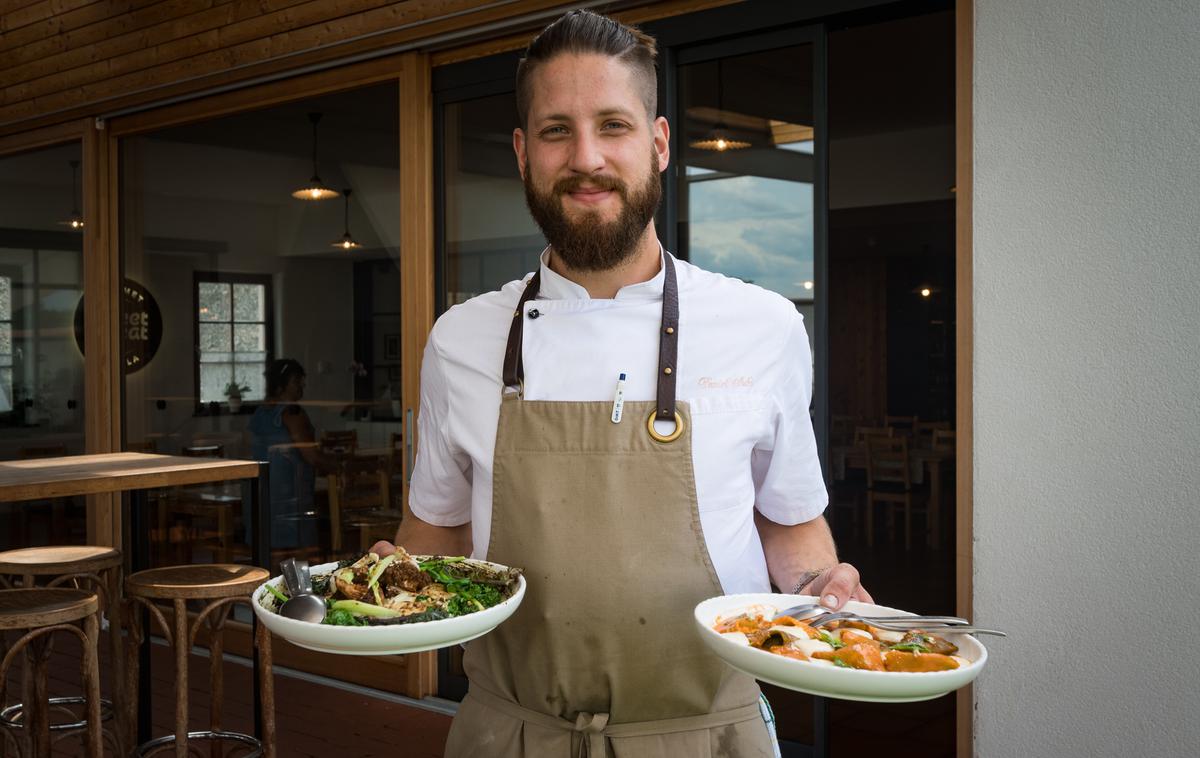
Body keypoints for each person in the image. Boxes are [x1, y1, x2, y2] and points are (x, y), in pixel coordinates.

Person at [371, 10, 871, 757]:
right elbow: (437, 529)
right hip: (510, 733)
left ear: (659, 143)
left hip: (707, 734)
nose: (586, 157)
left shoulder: (762, 326)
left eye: (613, 125)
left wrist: (826, 585)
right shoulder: (460, 340)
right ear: (521, 152)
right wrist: (386, 583)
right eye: (554, 130)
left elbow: (789, 523)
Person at [248, 358, 331, 550]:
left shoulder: (260, 413)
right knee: (295, 549)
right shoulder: (291, 413)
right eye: (296, 381)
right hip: (289, 491)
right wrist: (339, 466)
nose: (301, 386)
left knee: (268, 545)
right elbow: (311, 455)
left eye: (302, 381)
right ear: (280, 385)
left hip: (264, 488)